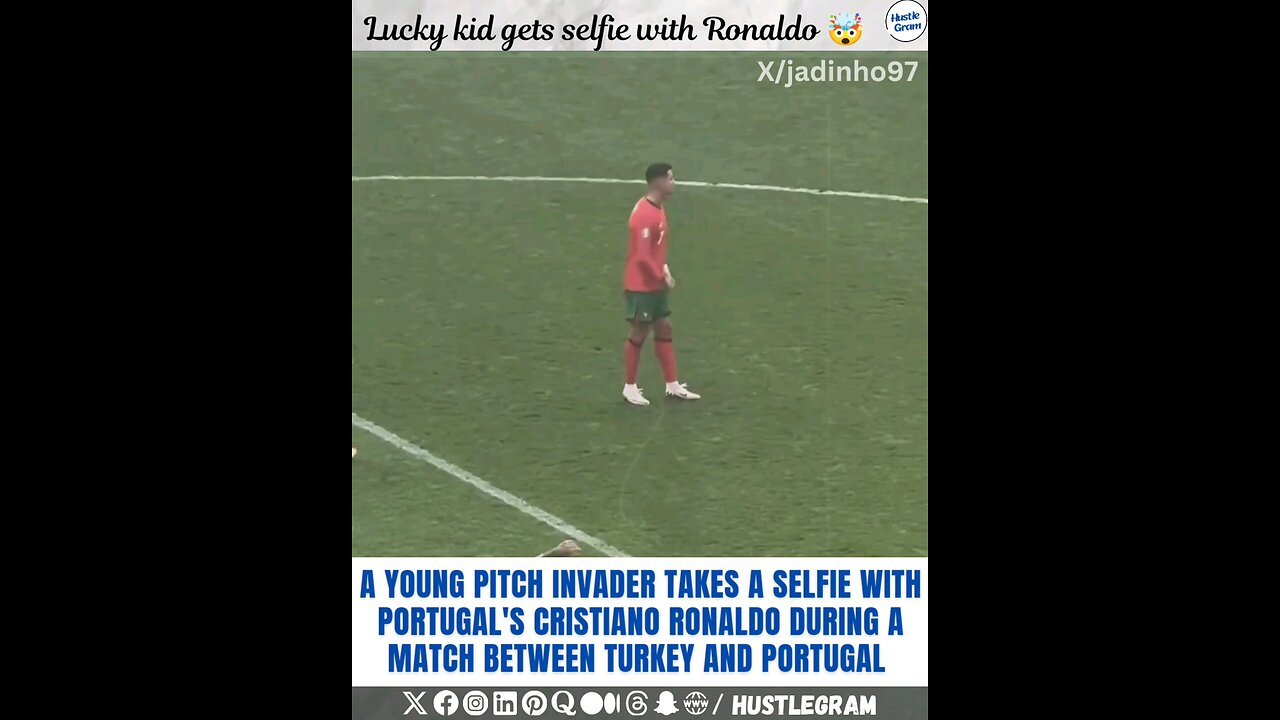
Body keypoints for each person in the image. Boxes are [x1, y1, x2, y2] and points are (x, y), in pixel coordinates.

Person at [622, 163, 701, 406]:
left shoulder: (657, 208)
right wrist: (661, 276)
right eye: (670, 178)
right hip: (642, 285)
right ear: (658, 182)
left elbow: (654, 250)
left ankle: (672, 385)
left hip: (654, 284)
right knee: (639, 331)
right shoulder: (645, 214)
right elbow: (642, 257)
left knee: (664, 327)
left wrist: (663, 268)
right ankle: (630, 387)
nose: (673, 182)